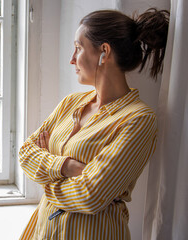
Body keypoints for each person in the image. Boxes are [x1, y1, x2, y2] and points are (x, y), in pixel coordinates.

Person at [19, 8, 169, 240]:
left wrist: (47, 181)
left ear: (104, 52)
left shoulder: (139, 119)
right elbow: (26, 153)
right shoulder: (70, 103)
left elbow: (91, 195)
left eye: (78, 48)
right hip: (42, 232)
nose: (71, 59)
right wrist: (68, 167)